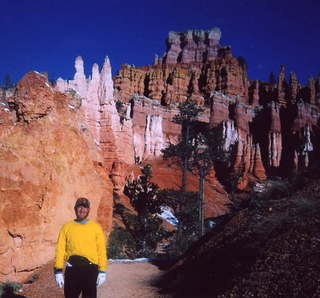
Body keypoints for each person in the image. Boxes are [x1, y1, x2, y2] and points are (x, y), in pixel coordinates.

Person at [54, 197, 107, 298]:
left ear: (88, 210)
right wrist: (58, 271)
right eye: (79, 207)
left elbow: (101, 250)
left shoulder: (96, 228)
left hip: (90, 270)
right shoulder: (66, 227)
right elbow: (60, 250)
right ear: (75, 209)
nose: (82, 210)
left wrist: (102, 271)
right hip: (72, 270)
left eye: (85, 207)